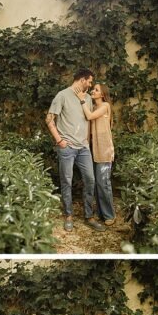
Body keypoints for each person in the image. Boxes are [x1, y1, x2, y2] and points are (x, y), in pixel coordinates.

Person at [46, 69, 106, 233]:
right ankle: (68, 216)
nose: (90, 85)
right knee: (66, 181)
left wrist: (86, 140)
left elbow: (88, 119)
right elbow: (49, 119)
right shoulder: (62, 95)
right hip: (67, 148)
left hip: (83, 148)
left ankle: (89, 216)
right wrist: (59, 140)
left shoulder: (87, 98)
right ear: (82, 80)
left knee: (90, 180)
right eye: (89, 81)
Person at [76, 83, 116, 226]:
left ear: (102, 94)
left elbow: (90, 116)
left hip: (104, 150)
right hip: (93, 150)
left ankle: (110, 215)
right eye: (93, 89)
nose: (93, 91)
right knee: (97, 183)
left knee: (103, 183)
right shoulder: (93, 107)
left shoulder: (105, 106)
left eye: (96, 90)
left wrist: (82, 100)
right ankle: (102, 214)